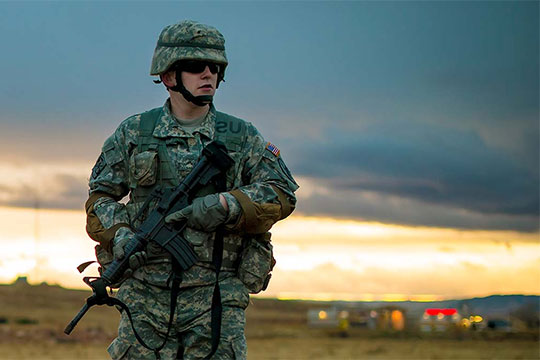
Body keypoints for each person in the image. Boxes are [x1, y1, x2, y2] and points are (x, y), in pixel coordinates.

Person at [85, 20, 298, 359]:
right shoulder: (135, 132)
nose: (208, 74)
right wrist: (122, 235)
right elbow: (99, 198)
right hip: (144, 298)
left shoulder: (240, 136)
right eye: (196, 67)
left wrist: (227, 205)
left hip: (214, 300)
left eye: (215, 68)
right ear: (169, 76)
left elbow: (282, 193)